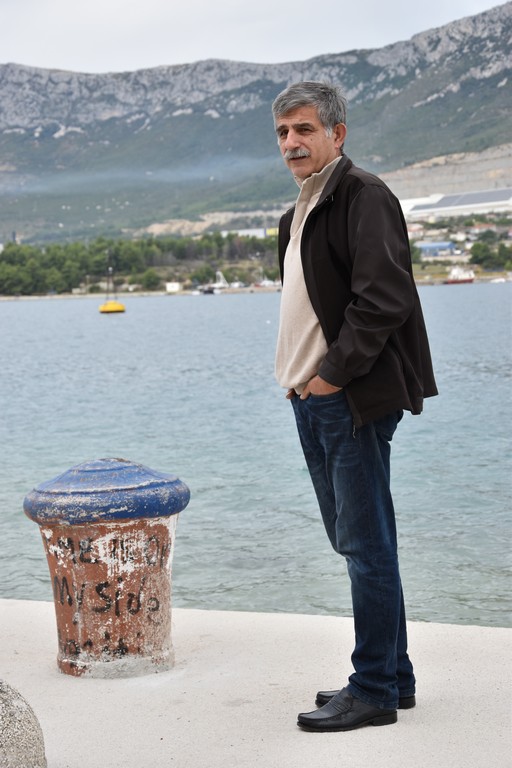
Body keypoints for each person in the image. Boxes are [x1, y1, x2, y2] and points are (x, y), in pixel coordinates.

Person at [272, 81, 438, 733]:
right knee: (364, 542)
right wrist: (303, 383)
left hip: (347, 400)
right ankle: (393, 677)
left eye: (304, 129)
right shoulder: (299, 212)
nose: (292, 142)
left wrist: (330, 378)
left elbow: (384, 298)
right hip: (313, 398)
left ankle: (371, 689)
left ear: (337, 134)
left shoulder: (362, 195)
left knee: (365, 546)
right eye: (283, 132)